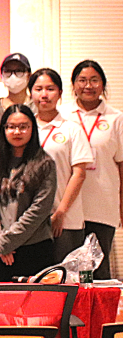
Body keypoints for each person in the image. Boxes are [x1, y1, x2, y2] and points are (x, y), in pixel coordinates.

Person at [0, 104, 56, 282]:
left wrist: (8, 242)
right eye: (11, 127)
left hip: (34, 249)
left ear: (32, 129)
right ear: (3, 129)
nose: (17, 132)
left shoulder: (45, 163)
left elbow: (39, 209)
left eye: (23, 127)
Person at [64, 60, 122, 279]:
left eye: (94, 80)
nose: (88, 85)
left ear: (103, 85)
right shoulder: (63, 115)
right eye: (82, 80)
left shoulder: (116, 118)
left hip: (102, 206)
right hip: (68, 206)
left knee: (99, 271)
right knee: (68, 270)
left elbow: (121, 164)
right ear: (73, 85)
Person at [30, 68, 92, 263]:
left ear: (60, 93)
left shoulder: (72, 129)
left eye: (50, 89)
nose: (44, 94)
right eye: (38, 89)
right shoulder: (25, 129)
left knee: (66, 276)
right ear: (30, 93)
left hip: (66, 220)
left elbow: (79, 174)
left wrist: (60, 212)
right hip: (31, 222)